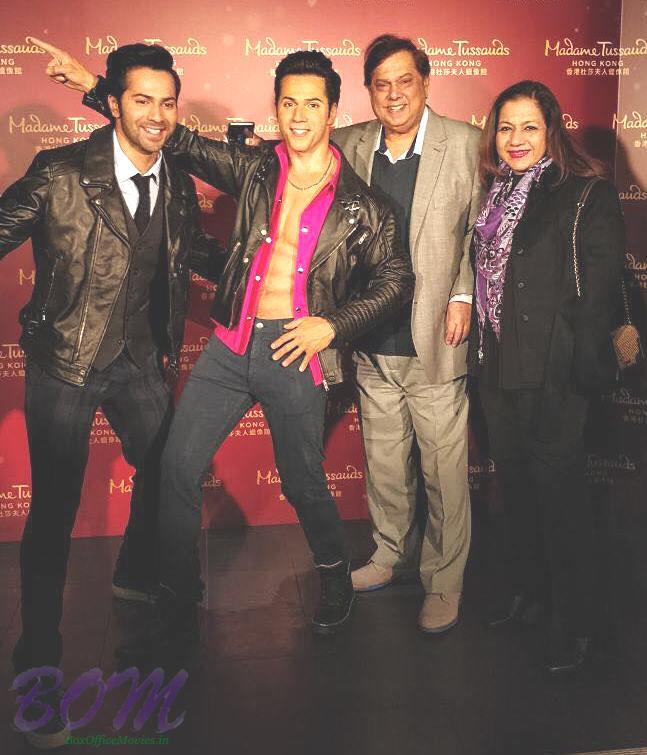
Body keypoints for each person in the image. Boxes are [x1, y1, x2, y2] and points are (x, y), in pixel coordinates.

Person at [57, 47, 414, 661]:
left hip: (294, 352)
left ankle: (333, 574)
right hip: (230, 344)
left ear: (334, 111)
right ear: (276, 107)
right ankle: (175, 593)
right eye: (288, 102)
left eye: (312, 104)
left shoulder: (363, 205)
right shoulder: (255, 170)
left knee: (302, 482)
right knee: (174, 467)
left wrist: (331, 325)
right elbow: (179, 142)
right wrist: (96, 86)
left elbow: (395, 281)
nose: (298, 115)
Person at [0, 42, 222, 747]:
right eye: (141, 100)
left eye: (166, 101)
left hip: (138, 361)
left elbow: (194, 258)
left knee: (167, 473)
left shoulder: (179, 182)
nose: (156, 115)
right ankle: (35, 669)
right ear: (112, 101)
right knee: (54, 515)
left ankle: (133, 572)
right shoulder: (61, 173)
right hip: (66, 361)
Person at [470, 80, 624, 672]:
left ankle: (579, 623)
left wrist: (577, 374)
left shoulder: (586, 193)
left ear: (552, 130)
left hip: (554, 376)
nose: (515, 139)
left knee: (562, 503)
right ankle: (531, 595)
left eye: (529, 127)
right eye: (505, 127)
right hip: (498, 368)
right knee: (520, 493)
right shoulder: (493, 195)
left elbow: (600, 296)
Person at [332, 35, 481, 633]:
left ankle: (443, 580)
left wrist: (464, 291)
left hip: (436, 338)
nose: (393, 94)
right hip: (370, 336)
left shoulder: (467, 144)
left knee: (443, 471)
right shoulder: (349, 144)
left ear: (426, 82)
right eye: (381, 84)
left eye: (405, 81)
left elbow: (484, 231)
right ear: (368, 90)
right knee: (384, 460)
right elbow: (274, 165)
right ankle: (390, 552)